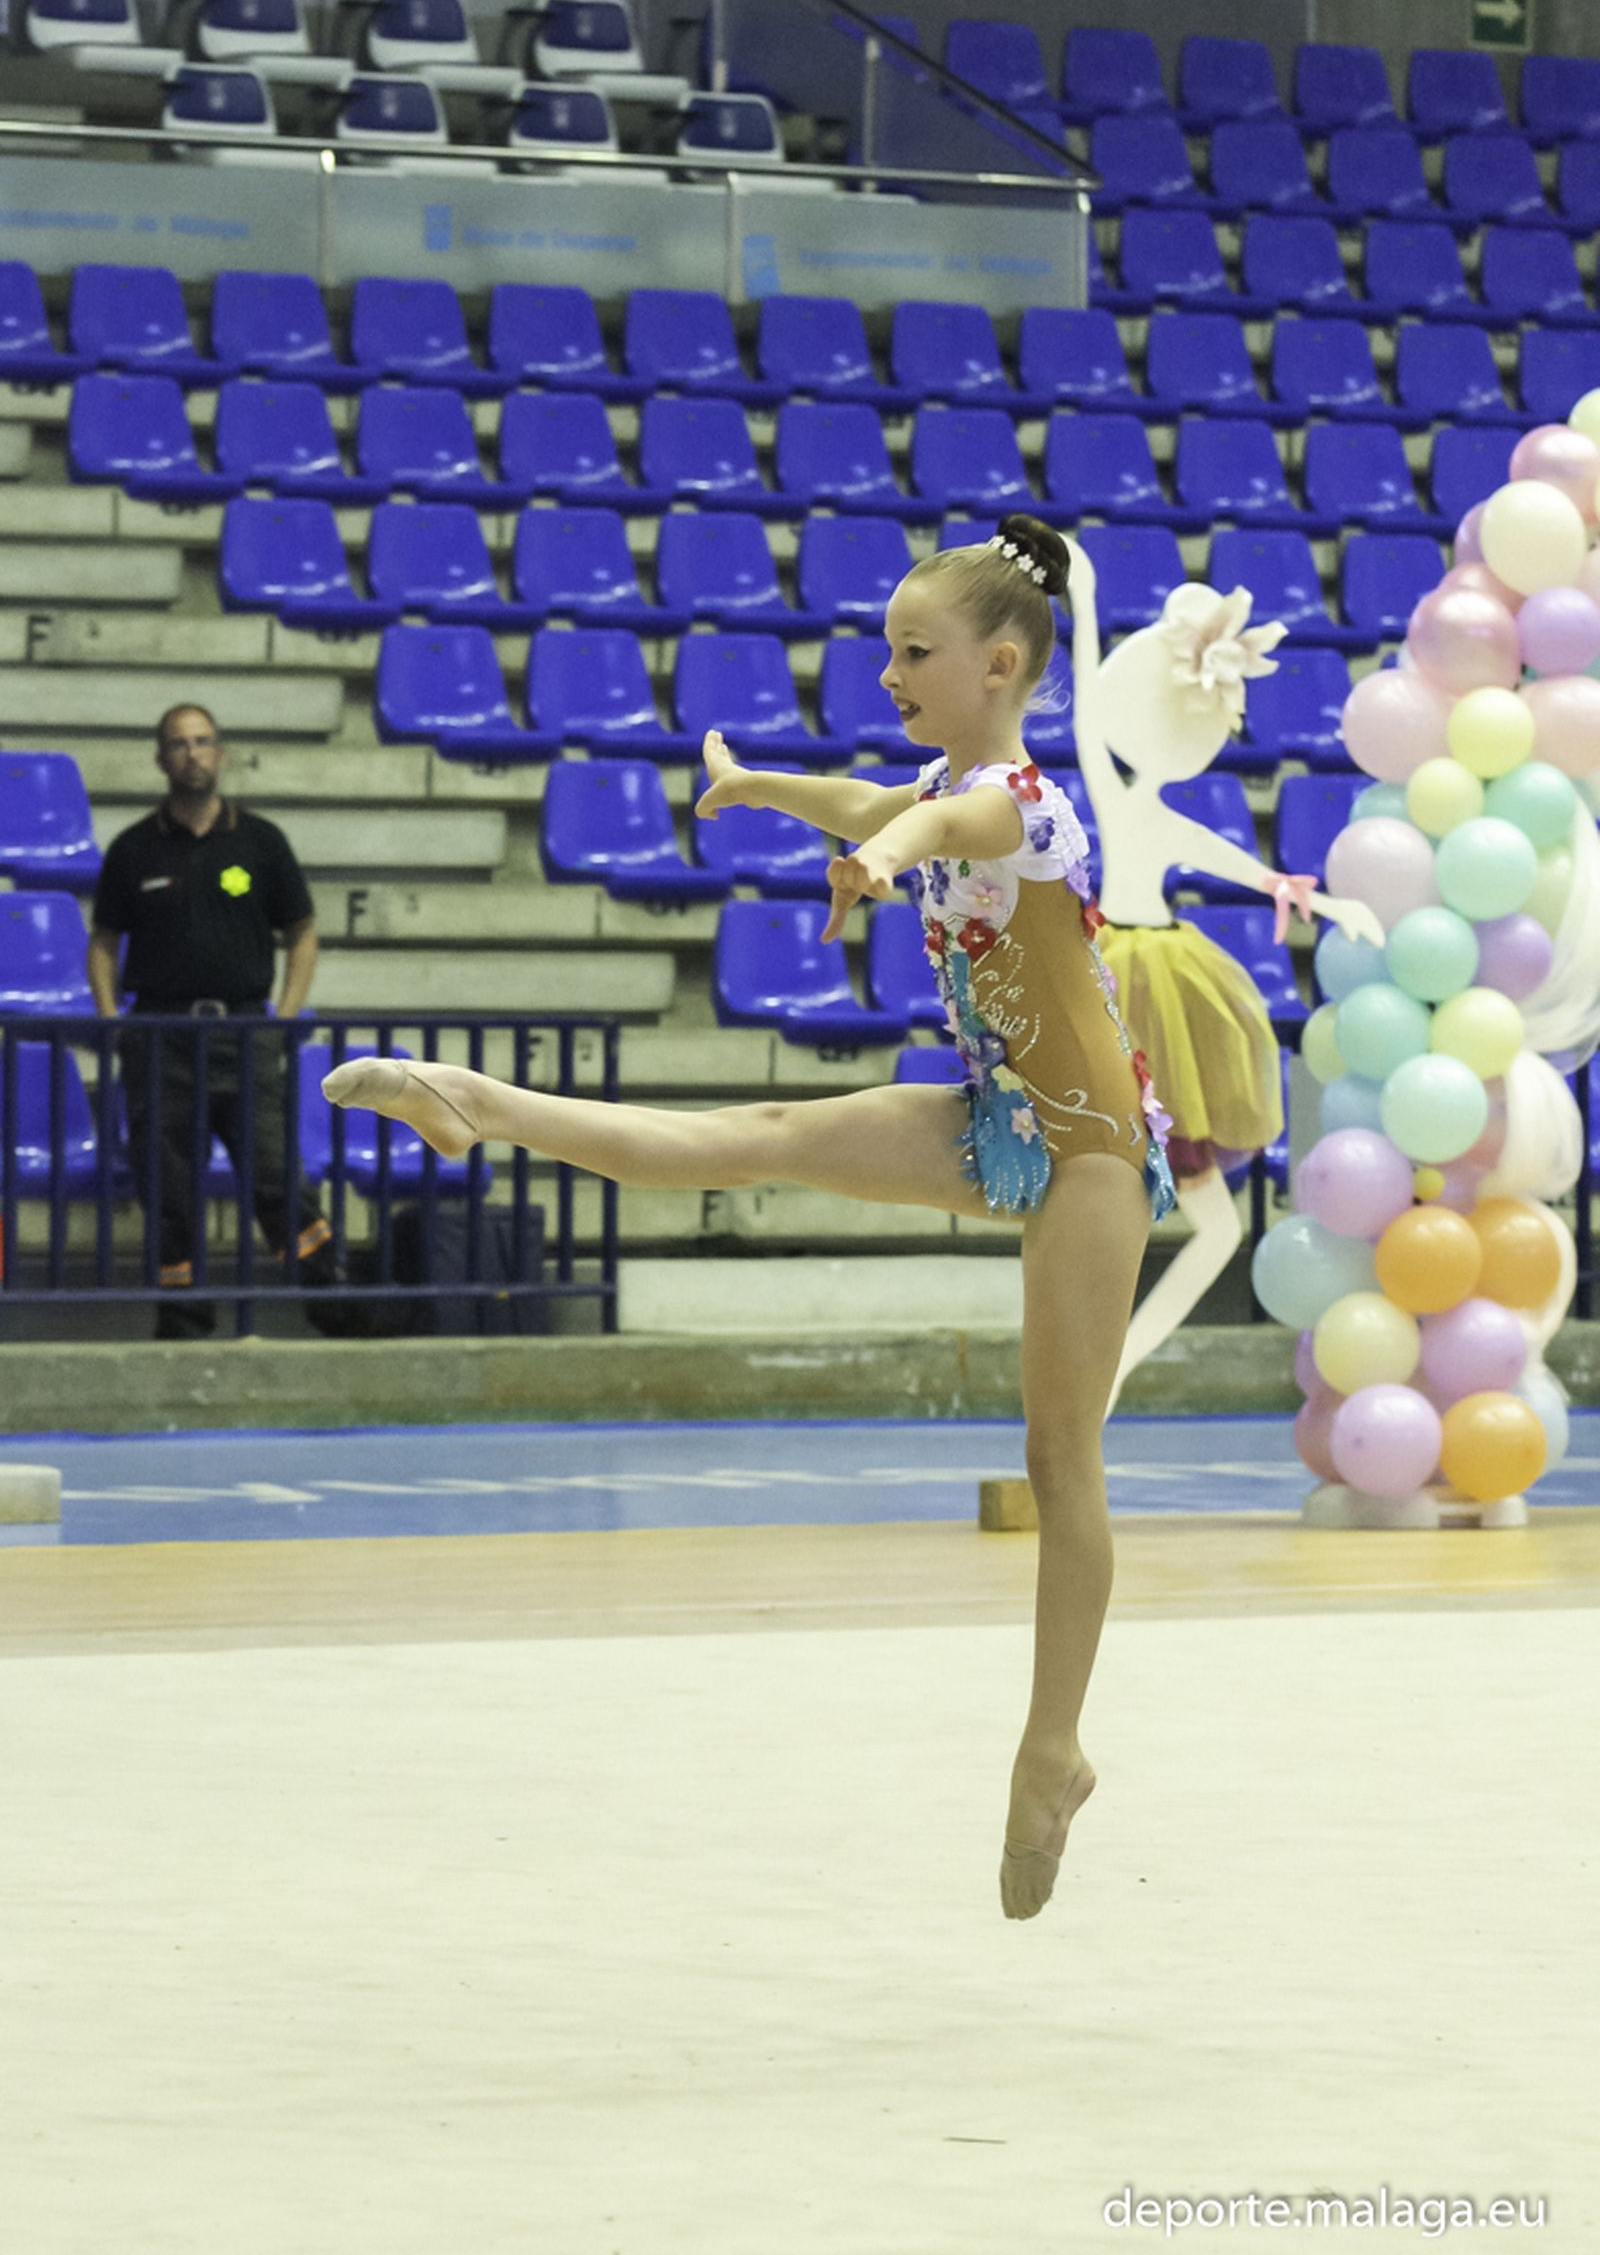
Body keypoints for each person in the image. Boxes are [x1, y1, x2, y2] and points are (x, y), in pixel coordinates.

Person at [323, 512, 1176, 1924]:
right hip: (996, 1115)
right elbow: (879, 800)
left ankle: (1054, 1745)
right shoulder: (946, 775)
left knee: (1059, 1458)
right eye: (888, 648)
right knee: (763, 1135)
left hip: (1087, 1151)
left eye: (916, 651)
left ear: (1002, 663)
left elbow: (929, 825)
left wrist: (885, 859)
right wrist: (760, 786)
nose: (890, 668)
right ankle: (476, 1102)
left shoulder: (1023, 801)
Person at [1064, 558, 1381, 1417]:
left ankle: (1110, 1364)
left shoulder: (1157, 815)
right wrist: (1084, 597)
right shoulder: (1137, 805)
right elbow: (1091, 718)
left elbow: (1254, 871)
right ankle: (1099, 1362)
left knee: (1205, 1222)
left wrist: (1326, 899)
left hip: (1154, 976)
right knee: (1150, 1208)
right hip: (1131, 983)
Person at [88, 702, 335, 1339]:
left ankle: (333, 1303)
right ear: (159, 758)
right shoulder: (133, 849)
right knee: (167, 1191)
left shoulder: (261, 841)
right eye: (178, 744)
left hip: (246, 1035)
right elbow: (103, 942)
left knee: (276, 1174)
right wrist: (115, 1019)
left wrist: (283, 1017)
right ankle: (182, 1317)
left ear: (220, 753)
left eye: (202, 742)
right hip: (160, 1038)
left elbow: (302, 931)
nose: (192, 754)